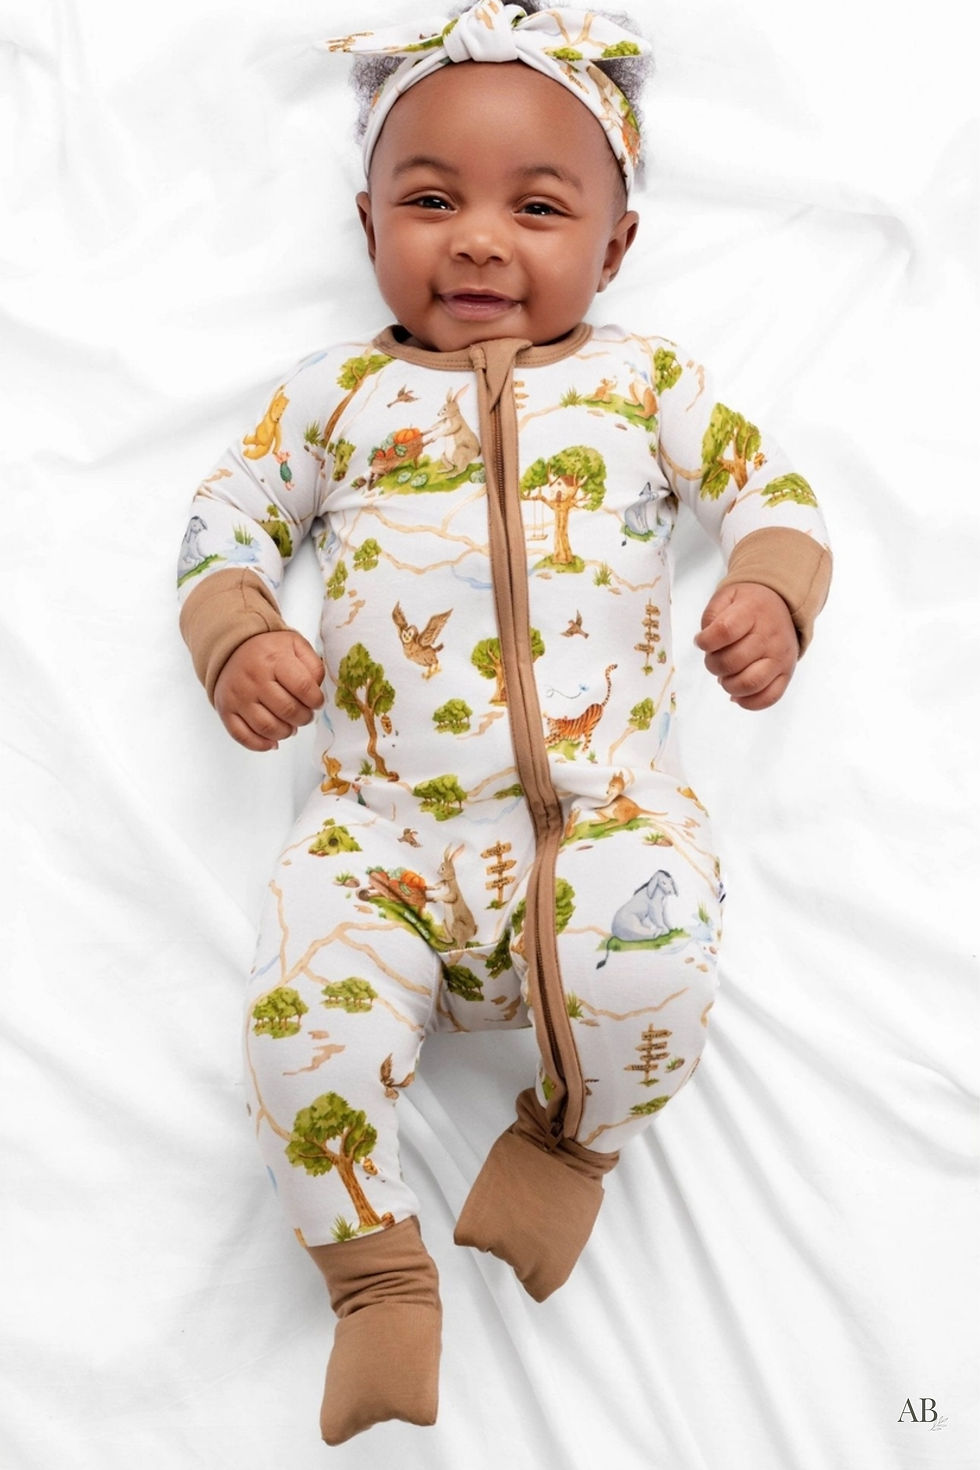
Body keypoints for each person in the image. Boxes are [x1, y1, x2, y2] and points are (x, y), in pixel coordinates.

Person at [177, 1, 831, 1445]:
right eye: (430, 200)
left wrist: (776, 596)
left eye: (537, 207)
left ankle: (569, 1142)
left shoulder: (647, 383)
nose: (478, 240)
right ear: (365, 222)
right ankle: (375, 1276)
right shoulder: (333, 398)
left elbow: (772, 494)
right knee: (303, 1035)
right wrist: (241, 633)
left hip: (607, 817)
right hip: (378, 839)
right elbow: (224, 518)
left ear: (615, 245)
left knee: (658, 976)